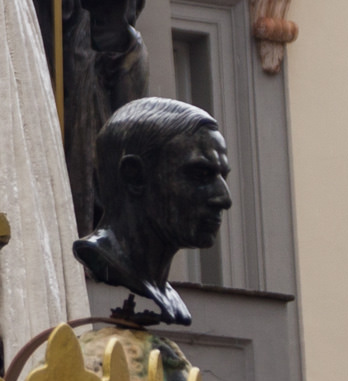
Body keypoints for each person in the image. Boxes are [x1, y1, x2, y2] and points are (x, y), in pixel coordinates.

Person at [25, 0, 159, 231]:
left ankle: (118, 208)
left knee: (126, 131)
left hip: (120, 56)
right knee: (83, 137)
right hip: (80, 57)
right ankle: (85, 214)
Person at [72, 96, 231, 325]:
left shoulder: (167, 295)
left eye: (223, 176)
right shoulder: (104, 263)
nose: (224, 199)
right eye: (200, 174)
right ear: (134, 176)